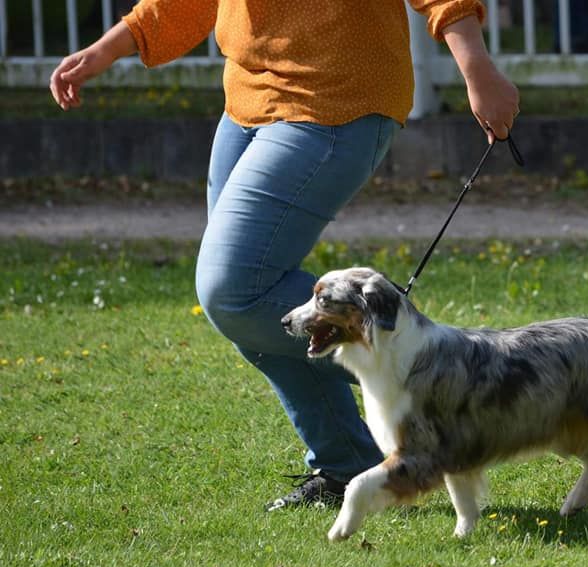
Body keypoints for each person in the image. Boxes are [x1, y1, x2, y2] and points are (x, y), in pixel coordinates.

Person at [49, 1, 520, 510]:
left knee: (235, 289)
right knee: (250, 307)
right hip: (247, 101)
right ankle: (348, 466)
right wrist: (106, 49)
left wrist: (477, 68)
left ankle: (435, 373)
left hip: (336, 99)